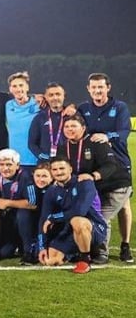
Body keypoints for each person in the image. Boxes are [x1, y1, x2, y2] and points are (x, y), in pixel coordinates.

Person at [54, 113, 128, 264]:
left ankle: (102, 253)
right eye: (66, 126)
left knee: (101, 217)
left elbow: (111, 165)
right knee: (84, 216)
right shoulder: (63, 146)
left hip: (115, 185)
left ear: (83, 128)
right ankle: (83, 249)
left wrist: (93, 175)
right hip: (92, 188)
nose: (69, 129)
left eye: (73, 126)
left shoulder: (96, 142)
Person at [78, 72, 133, 263]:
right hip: (96, 165)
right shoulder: (83, 108)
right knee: (100, 201)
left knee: (123, 204)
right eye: (93, 87)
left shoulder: (119, 107)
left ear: (108, 88)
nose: (97, 90)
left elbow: (124, 131)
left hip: (119, 163)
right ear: (88, 89)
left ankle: (125, 245)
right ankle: (100, 246)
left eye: (101, 87)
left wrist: (107, 136)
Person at [38, 156, 108, 274]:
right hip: (69, 229)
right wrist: (42, 247)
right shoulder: (52, 191)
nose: (59, 172)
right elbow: (44, 218)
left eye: (62, 168)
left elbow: (80, 211)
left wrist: (54, 218)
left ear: (70, 169)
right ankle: (73, 253)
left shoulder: (85, 183)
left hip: (95, 227)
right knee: (51, 260)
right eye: (54, 170)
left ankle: (85, 260)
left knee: (77, 221)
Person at [0, 149, 38, 263]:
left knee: (23, 213)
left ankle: (28, 251)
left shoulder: (26, 177)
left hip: (25, 220)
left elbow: (33, 203)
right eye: (2, 165)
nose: (5, 168)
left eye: (9, 164)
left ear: (17, 165)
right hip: (8, 221)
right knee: (3, 253)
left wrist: (8, 203)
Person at [3, 72, 41, 169]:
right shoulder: (8, 105)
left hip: (36, 159)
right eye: (14, 86)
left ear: (27, 87)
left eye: (21, 85)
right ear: (10, 89)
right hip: (15, 161)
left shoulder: (39, 104)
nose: (18, 89)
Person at [28, 82, 67, 163]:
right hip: (45, 163)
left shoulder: (71, 115)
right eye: (51, 95)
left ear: (64, 96)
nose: (55, 98)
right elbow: (32, 143)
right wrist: (41, 155)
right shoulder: (39, 117)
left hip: (67, 162)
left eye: (58, 94)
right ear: (46, 97)